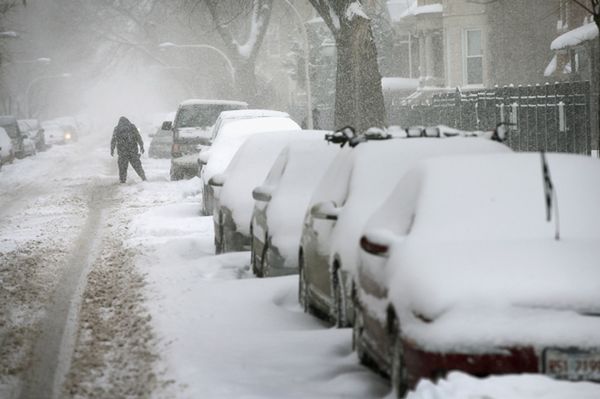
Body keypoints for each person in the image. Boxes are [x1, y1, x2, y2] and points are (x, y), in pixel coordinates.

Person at [110, 116, 146, 183]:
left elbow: (113, 140)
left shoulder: (117, 128)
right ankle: (143, 178)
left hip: (122, 152)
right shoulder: (132, 127)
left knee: (122, 168)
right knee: (138, 167)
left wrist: (112, 149)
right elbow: (138, 137)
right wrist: (141, 146)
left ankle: (122, 181)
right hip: (133, 151)